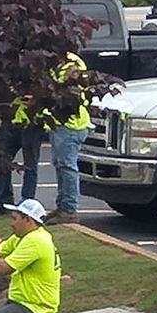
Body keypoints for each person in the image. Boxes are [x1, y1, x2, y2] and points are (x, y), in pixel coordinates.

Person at [47, 51, 94, 224]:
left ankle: (68, 209)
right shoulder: (56, 62)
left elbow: (69, 85)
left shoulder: (71, 62)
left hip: (71, 124)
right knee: (61, 165)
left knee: (67, 166)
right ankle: (63, 206)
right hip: (60, 123)